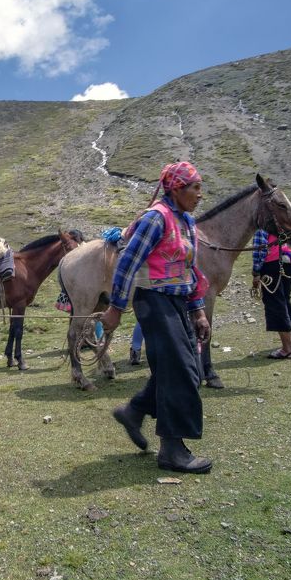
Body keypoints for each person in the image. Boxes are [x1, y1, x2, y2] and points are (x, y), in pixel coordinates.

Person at [100, 161, 212, 474]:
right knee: (180, 370)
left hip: (177, 301)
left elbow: (191, 271)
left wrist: (198, 310)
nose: (200, 194)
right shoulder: (156, 218)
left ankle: (134, 412)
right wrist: (115, 308)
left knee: (186, 370)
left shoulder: (186, 221)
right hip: (153, 300)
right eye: (195, 187)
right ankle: (172, 451)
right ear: (176, 188)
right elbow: (127, 263)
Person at [251, 229, 291, 359]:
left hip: (271, 264)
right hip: (289, 261)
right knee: (285, 299)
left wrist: (256, 272)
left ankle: (287, 349)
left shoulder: (263, 225)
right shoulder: (285, 220)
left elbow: (260, 249)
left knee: (275, 303)